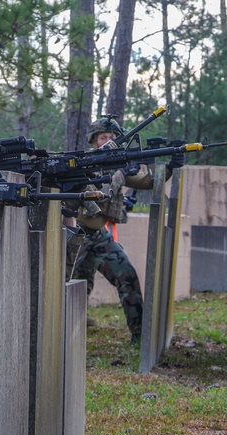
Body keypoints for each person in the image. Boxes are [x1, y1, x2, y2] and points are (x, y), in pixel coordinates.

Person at [72, 115, 185, 344]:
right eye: (103, 137)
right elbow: (95, 193)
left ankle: (140, 336)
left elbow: (148, 181)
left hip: (98, 236)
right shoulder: (84, 164)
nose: (108, 141)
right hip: (74, 236)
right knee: (70, 286)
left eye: (112, 137)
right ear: (94, 142)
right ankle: (67, 329)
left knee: (127, 276)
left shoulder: (116, 164)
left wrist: (171, 165)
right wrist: (120, 174)